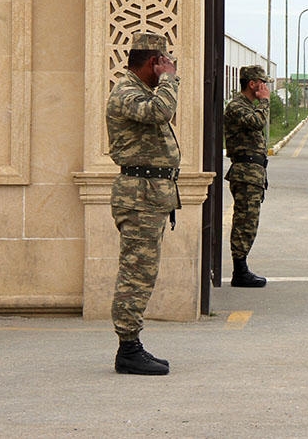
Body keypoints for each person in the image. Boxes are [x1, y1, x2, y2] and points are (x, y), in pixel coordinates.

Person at [106, 31, 180, 375]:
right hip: (139, 196)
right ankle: (128, 349)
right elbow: (161, 112)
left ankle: (131, 345)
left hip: (148, 194)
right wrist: (169, 80)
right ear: (154, 62)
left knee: (142, 273)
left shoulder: (140, 91)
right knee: (135, 274)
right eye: (164, 64)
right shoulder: (125, 92)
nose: (168, 70)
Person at [224, 65, 271, 288]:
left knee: (250, 221)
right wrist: (264, 101)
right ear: (252, 84)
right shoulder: (236, 106)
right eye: (263, 83)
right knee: (245, 221)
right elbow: (257, 122)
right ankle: (239, 271)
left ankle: (241, 267)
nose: (266, 88)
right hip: (245, 172)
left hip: (254, 172)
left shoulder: (247, 106)